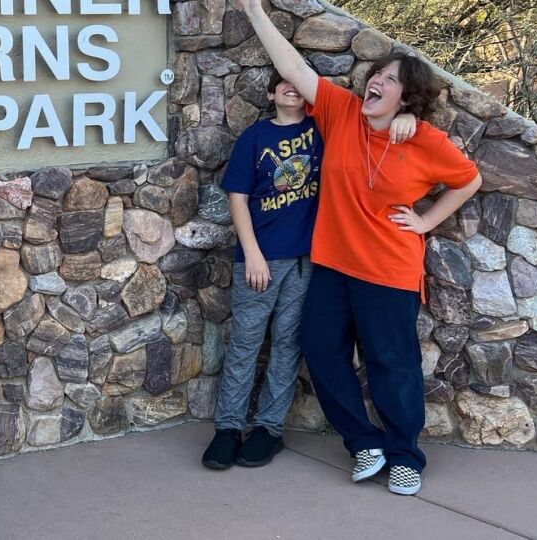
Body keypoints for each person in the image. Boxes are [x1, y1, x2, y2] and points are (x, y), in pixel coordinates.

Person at [235, 0, 483, 496]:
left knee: (393, 363)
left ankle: (404, 455)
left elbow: (468, 179)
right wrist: (252, 8)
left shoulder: (425, 140)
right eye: (377, 75)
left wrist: (426, 220)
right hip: (333, 265)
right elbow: (293, 67)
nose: (376, 82)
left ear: (407, 96)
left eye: (390, 80)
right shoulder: (341, 111)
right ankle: (363, 442)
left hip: (389, 270)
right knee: (321, 350)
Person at [201, 72, 415, 470]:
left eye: (295, 82)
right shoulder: (255, 137)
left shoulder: (324, 130)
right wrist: (252, 253)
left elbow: (376, 125)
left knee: (287, 346)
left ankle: (269, 429)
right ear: (270, 94)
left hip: (309, 261)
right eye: (280, 83)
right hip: (261, 261)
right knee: (246, 343)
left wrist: (411, 118)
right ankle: (227, 429)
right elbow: (238, 196)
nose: (290, 86)